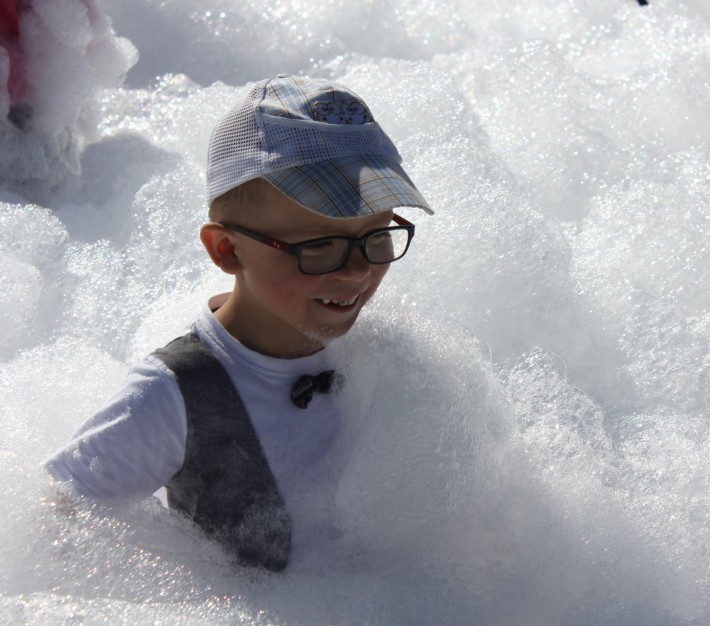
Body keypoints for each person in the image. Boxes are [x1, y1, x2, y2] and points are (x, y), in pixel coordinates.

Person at [44, 75, 433, 572]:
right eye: (319, 246)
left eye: (376, 236)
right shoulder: (176, 395)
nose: (357, 270)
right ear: (226, 249)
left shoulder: (383, 351)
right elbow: (56, 516)